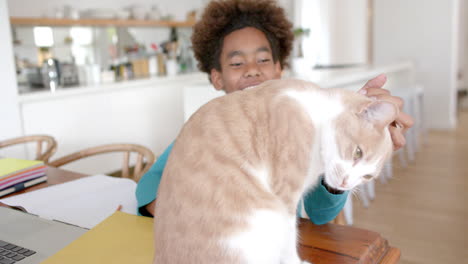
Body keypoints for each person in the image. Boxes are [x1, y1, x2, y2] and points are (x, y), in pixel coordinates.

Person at [135, 0, 413, 224]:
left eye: (263, 60)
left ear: (279, 70)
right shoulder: (206, 130)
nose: (252, 69)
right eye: (236, 63)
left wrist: (353, 137)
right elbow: (147, 191)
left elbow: (320, 213)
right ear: (217, 78)